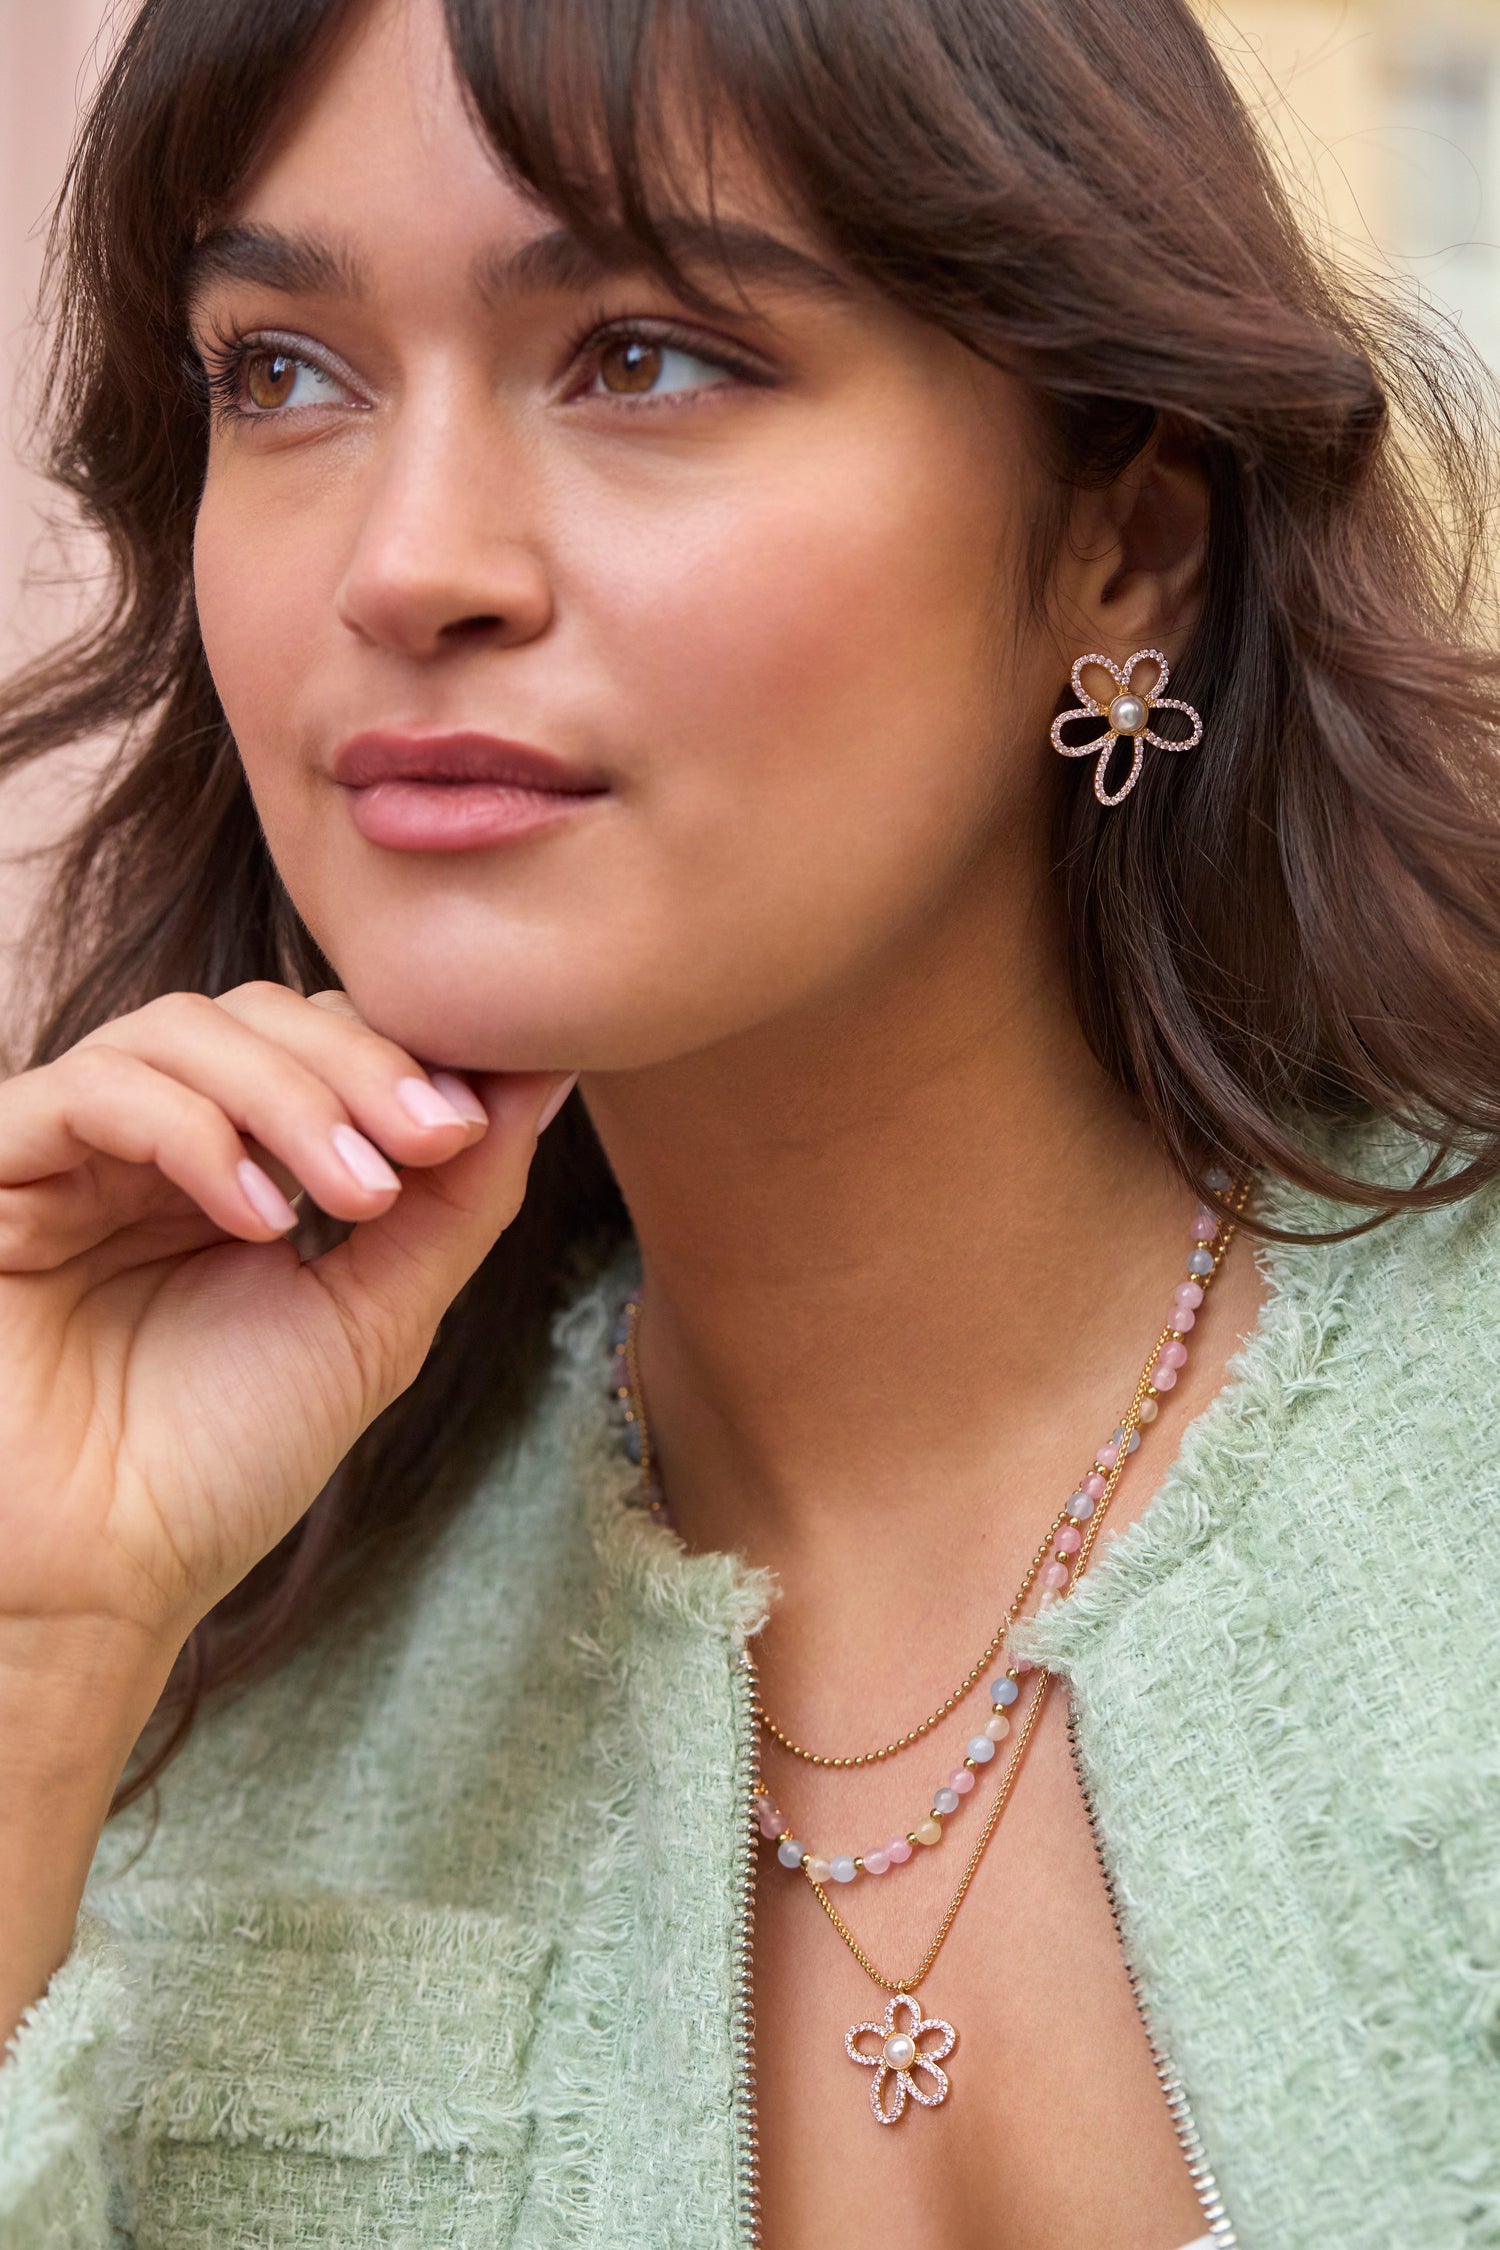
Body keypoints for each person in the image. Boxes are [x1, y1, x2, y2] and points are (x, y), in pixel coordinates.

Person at [0, 0, 1497, 2241]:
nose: (407, 564)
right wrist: (37, 1660)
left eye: (645, 356)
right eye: (283, 371)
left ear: (1128, 546)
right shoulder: (182, 1617)